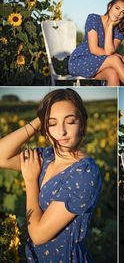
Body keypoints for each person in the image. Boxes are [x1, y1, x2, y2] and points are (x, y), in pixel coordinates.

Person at [0, 88, 101, 262]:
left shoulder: (85, 173)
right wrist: (39, 120)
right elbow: (2, 156)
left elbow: (38, 235)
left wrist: (31, 181)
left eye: (70, 122)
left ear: (82, 124)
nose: (61, 132)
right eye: (52, 123)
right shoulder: (45, 157)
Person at [68, 0, 124, 86]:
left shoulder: (119, 30)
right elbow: (94, 49)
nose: (118, 13)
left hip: (99, 63)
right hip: (80, 61)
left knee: (113, 74)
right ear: (110, 6)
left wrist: (110, 26)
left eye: (123, 12)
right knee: (115, 59)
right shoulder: (93, 19)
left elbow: (109, 51)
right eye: (117, 8)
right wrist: (120, 57)